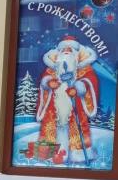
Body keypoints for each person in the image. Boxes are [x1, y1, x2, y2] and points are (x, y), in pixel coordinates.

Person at [37, 36, 99, 164]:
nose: (66, 51)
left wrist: (79, 88)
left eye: (70, 49)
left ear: (76, 53)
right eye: (64, 49)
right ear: (58, 52)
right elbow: (45, 80)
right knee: (51, 129)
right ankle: (49, 154)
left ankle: (78, 154)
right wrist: (48, 83)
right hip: (54, 110)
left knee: (76, 129)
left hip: (75, 109)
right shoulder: (52, 68)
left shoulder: (85, 69)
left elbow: (90, 81)